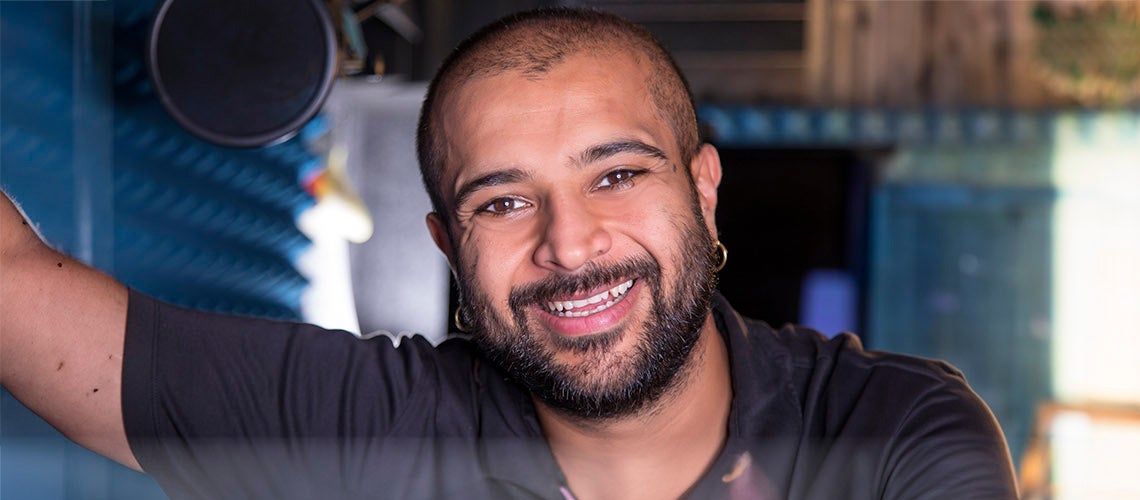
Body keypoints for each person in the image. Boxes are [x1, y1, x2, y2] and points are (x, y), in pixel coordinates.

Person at [0, 7, 1016, 499]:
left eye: (615, 175)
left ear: (702, 190)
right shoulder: (382, 428)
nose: (569, 242)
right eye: (503, 201)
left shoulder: (892, 433)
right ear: (449, 245)